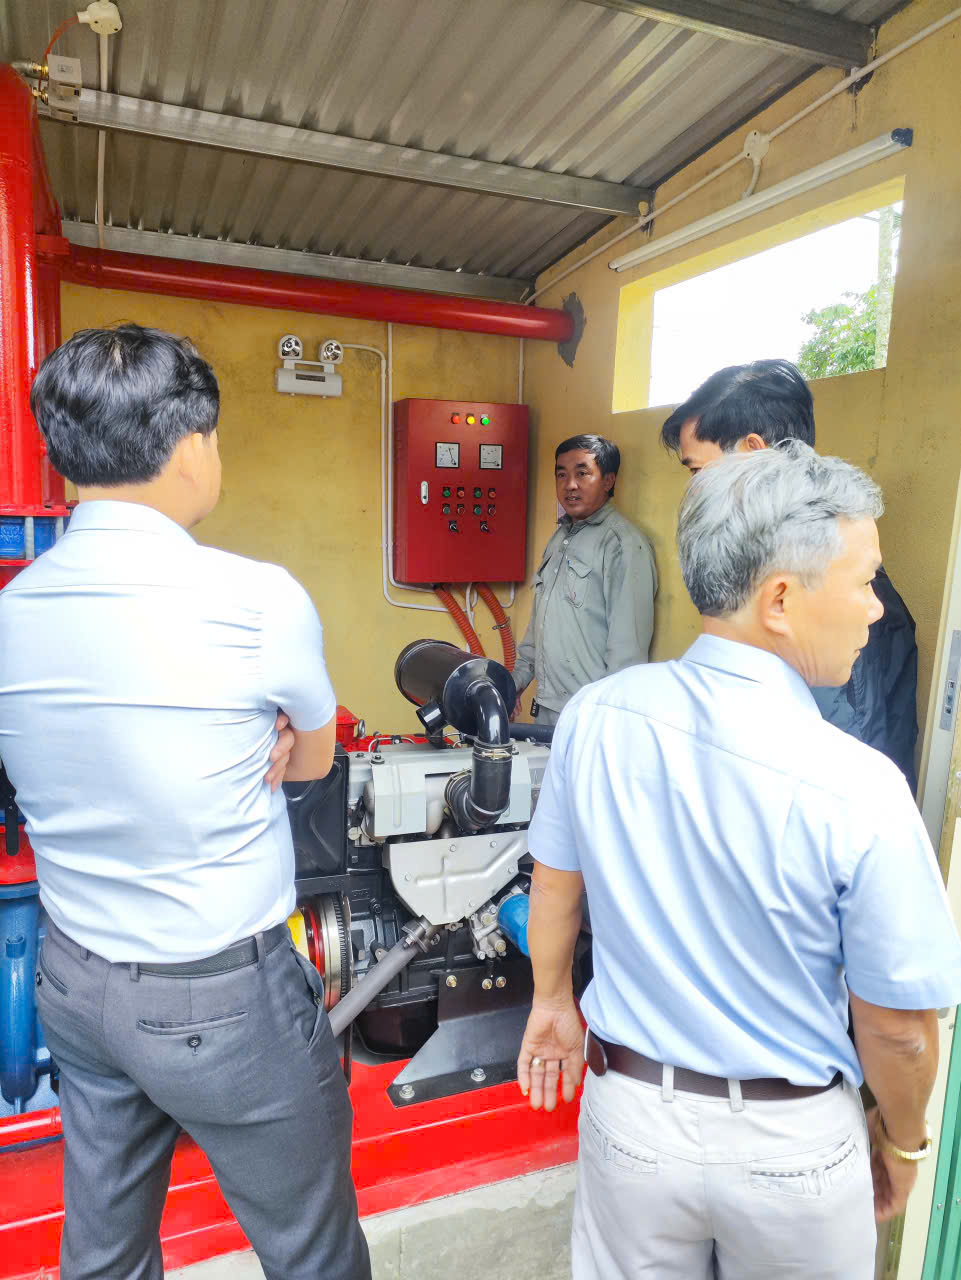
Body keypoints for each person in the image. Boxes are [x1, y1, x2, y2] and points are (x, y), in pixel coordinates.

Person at [516, 441, 961, 1279]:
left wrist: (549, 1003)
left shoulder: (599, 715)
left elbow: (555, 880)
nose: (874, 610)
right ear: (780, 599)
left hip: (628, 1125)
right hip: (789, 1150)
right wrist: (903, 1141)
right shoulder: (857, 783)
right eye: (864, 581)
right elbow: (897, 1029)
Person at [0, 325, 370, 1280]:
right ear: (189, 445)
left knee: (105, 1250)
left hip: (74, 984)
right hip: (223, 999)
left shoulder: (12, 609)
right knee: (312, 1247)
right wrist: (264, 740)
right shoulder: (255, 597)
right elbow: (312, 760)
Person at [661, 359, 919, 788]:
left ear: (754, 453)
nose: (691, 491)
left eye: (697, 471)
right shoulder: (761, 569)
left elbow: (834, 778)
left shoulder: (831, 604)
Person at [511, 434, 656, 726]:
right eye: (561, 475)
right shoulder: (560, 538)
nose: (570, 485)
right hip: (548, 707)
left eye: (582, 473)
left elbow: (627, 655)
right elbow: (539, 626)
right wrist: (514, 684)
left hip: (590, 716)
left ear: (608, 481)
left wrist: (605, 721)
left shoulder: (622, 545)